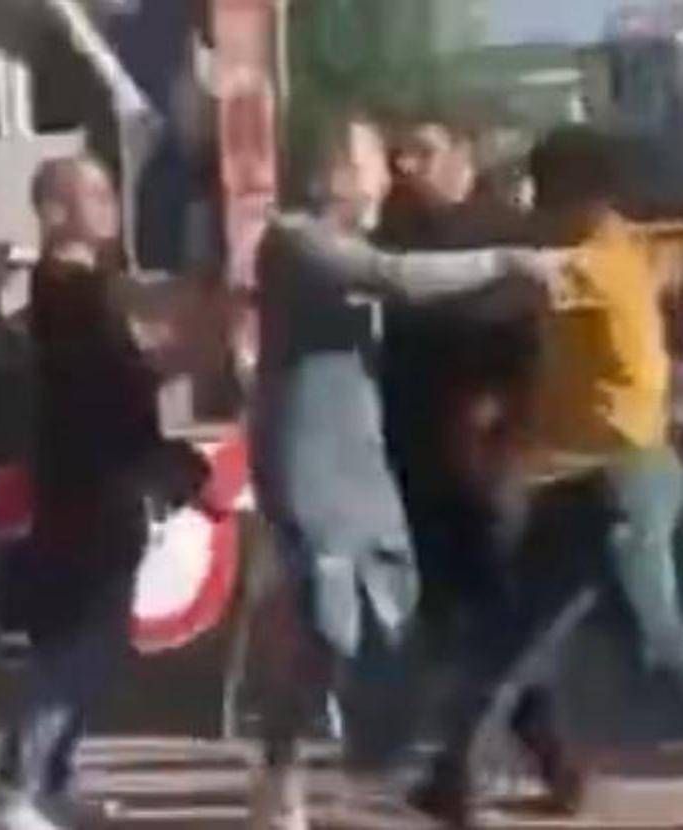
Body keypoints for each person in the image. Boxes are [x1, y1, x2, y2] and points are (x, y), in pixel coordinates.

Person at [409, 127, 683, 829]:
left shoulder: (591, 265)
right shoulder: (630, 248)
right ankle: (451, 774)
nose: (534, 209)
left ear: (575, 196)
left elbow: (500, 291)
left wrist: (411, 274)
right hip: (582, 477)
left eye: (543, 194)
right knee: (516, 631)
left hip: (621, 479)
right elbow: (680, 253)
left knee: (658, 644)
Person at [247, 115, 566, 830]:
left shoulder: (360, 242)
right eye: (374, 162)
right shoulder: (295, 240)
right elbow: (397, 279)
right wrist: (506, 261)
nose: (388, 176)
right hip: (307, 458)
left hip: (364, 459)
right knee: (326, 621)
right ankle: (280, 770)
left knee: (394, 619)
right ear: (336, 170)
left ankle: (399, 767)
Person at [0, 155, 208, 830]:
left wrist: (171, 363)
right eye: (95, 194)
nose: (109, 206)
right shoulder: (70, 292)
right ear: (54, 211)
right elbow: (106, 390)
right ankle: (18, 788)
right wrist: (177, 364)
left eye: (110, 192)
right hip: (89, 491)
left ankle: (51, 781)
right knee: (74, 646)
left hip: (98, 488)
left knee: (93, 645)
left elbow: (118, 379)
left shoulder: (85, 294)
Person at [375, 120, 582, 815]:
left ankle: (475, 766)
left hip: (491, 457)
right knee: (454, 620)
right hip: (418, 455)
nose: (409, 165)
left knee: (499, 620)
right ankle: (517, 759)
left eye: (425, 151)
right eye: (402, 154)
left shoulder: (505, 234)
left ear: (463, 156)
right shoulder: (398, 235)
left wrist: (502, 420)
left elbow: (534, 343)